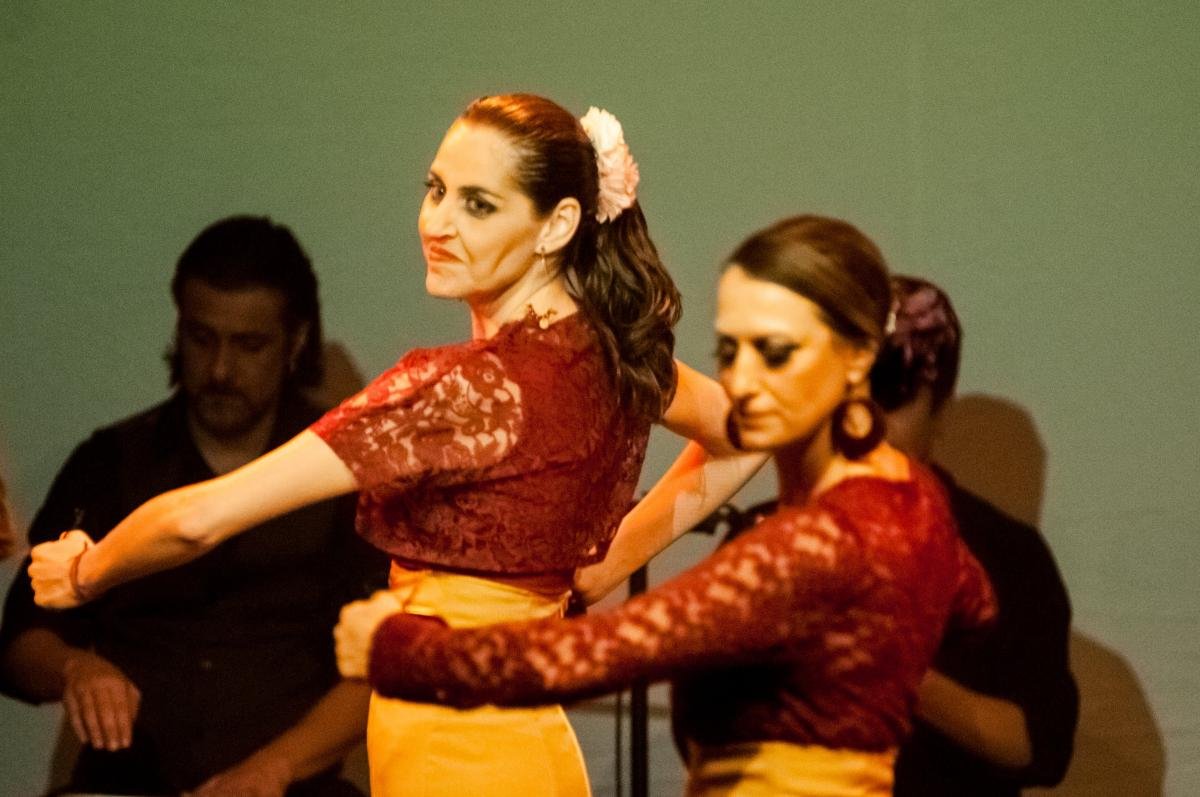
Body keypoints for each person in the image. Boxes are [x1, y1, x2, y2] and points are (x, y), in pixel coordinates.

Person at [28, 94, 758, 796]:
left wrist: (86, 571)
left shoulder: (462, 388)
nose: (438, 222)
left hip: (457, 751)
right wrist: (603, 566)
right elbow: (747, 435)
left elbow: (199, 520)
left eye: (478, 204)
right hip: (528, 743)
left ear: (558, 224)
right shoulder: (610, 352)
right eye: (436, 190)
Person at [333, 215, 998, 796]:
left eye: (775, 353)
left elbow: (587, 657)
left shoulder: (811, 547)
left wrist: (398, 650)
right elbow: (976, 605)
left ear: (855, 359)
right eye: (730, 349)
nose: (742, 381)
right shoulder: (914, 503)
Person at [1, 216, 385, 796]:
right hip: (127, 781)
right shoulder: (112, 461)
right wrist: (76, 669)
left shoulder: (341, 474)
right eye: (202, 339)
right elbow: (22, 640)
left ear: (295, 342)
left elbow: (382, 666)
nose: (221, 370)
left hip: (289, 785)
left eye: (249, 345)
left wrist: (271, 770)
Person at [871, 275, 1077, 795]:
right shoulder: (765, 533)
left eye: (890, 399)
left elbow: (1041, 747)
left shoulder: (1007, 553)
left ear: (941, 410)